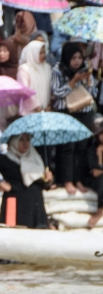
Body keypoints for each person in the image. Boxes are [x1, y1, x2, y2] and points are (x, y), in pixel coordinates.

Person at [50, 42, 99, 194]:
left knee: (82, 146)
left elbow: (94, 94)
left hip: (84, 110)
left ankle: (78, 179)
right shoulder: (58, 70)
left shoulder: (85, 68)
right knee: (68, 147)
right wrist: (73, 81)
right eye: (73, 58)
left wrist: (89, 79)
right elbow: (57, 93)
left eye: (79, 57)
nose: (77, 61)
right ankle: (67, 180)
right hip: (66, 111)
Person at [0, 133, 51, 229]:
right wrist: (0, 183)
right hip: (15, 203)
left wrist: (49, 179)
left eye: (27, 140)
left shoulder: (35, 159)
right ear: (14, 142)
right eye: (21, 140)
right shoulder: (5, 159)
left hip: (35, 204)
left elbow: (45, 185)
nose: (25, 143)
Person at [17, 40, 52, 114]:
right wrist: (37, 107)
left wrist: (48, 106)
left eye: (44, 52)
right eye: (40, 53)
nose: (43, 55)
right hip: (30, 113)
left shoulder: (47, 67)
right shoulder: (24, 69)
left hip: (46, 111)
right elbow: (24, 91)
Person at [86, 124, 103, 229]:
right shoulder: (92, 149)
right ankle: (100, 209)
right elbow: (95, 171)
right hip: (95, 180)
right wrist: (100, 155)